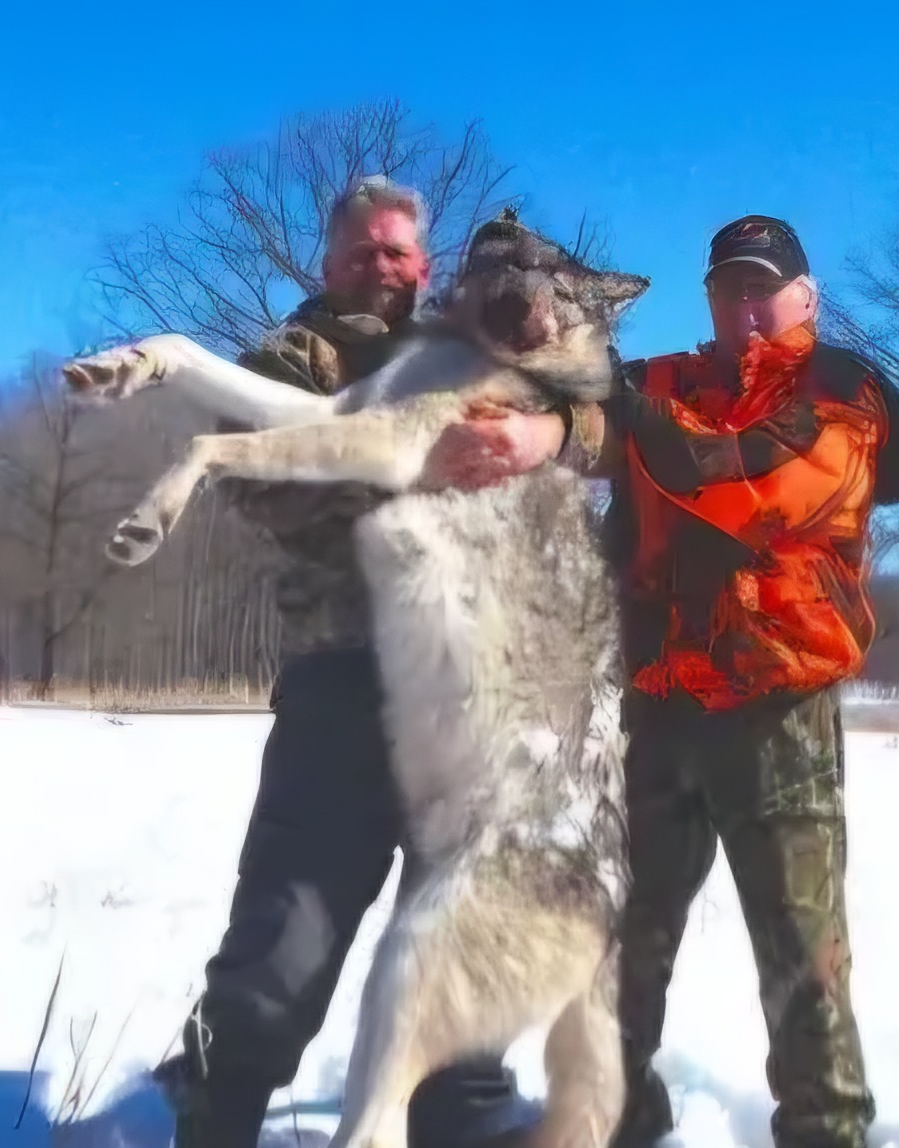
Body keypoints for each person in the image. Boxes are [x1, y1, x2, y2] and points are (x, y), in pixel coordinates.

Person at [446, 215, 899, 1148]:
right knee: (622, 940)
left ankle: (825, 1131)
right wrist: (540, 397)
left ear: (806, 298)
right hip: (658, 709)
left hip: (777, 718)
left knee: (802, 958)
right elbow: (580, 416)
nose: (745, 307)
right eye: (728, 288)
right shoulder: (663, 382)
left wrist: (612, 414)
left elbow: (747, 484)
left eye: (763, 288)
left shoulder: (845, 391)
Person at [148, 175, 607, 1148]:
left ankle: (461, 1117)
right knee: (290, 925)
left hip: (475, 687)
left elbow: (602, 407)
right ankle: (217, 1106)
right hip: (345, 678)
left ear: (425, 266)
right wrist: (411, 461)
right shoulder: (295, 356)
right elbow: (261, 486)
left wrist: (550, 433)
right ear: (329, 260)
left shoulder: (476, 337)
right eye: (362, 251)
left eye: (397, 252)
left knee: (466, 913)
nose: (380, 267)